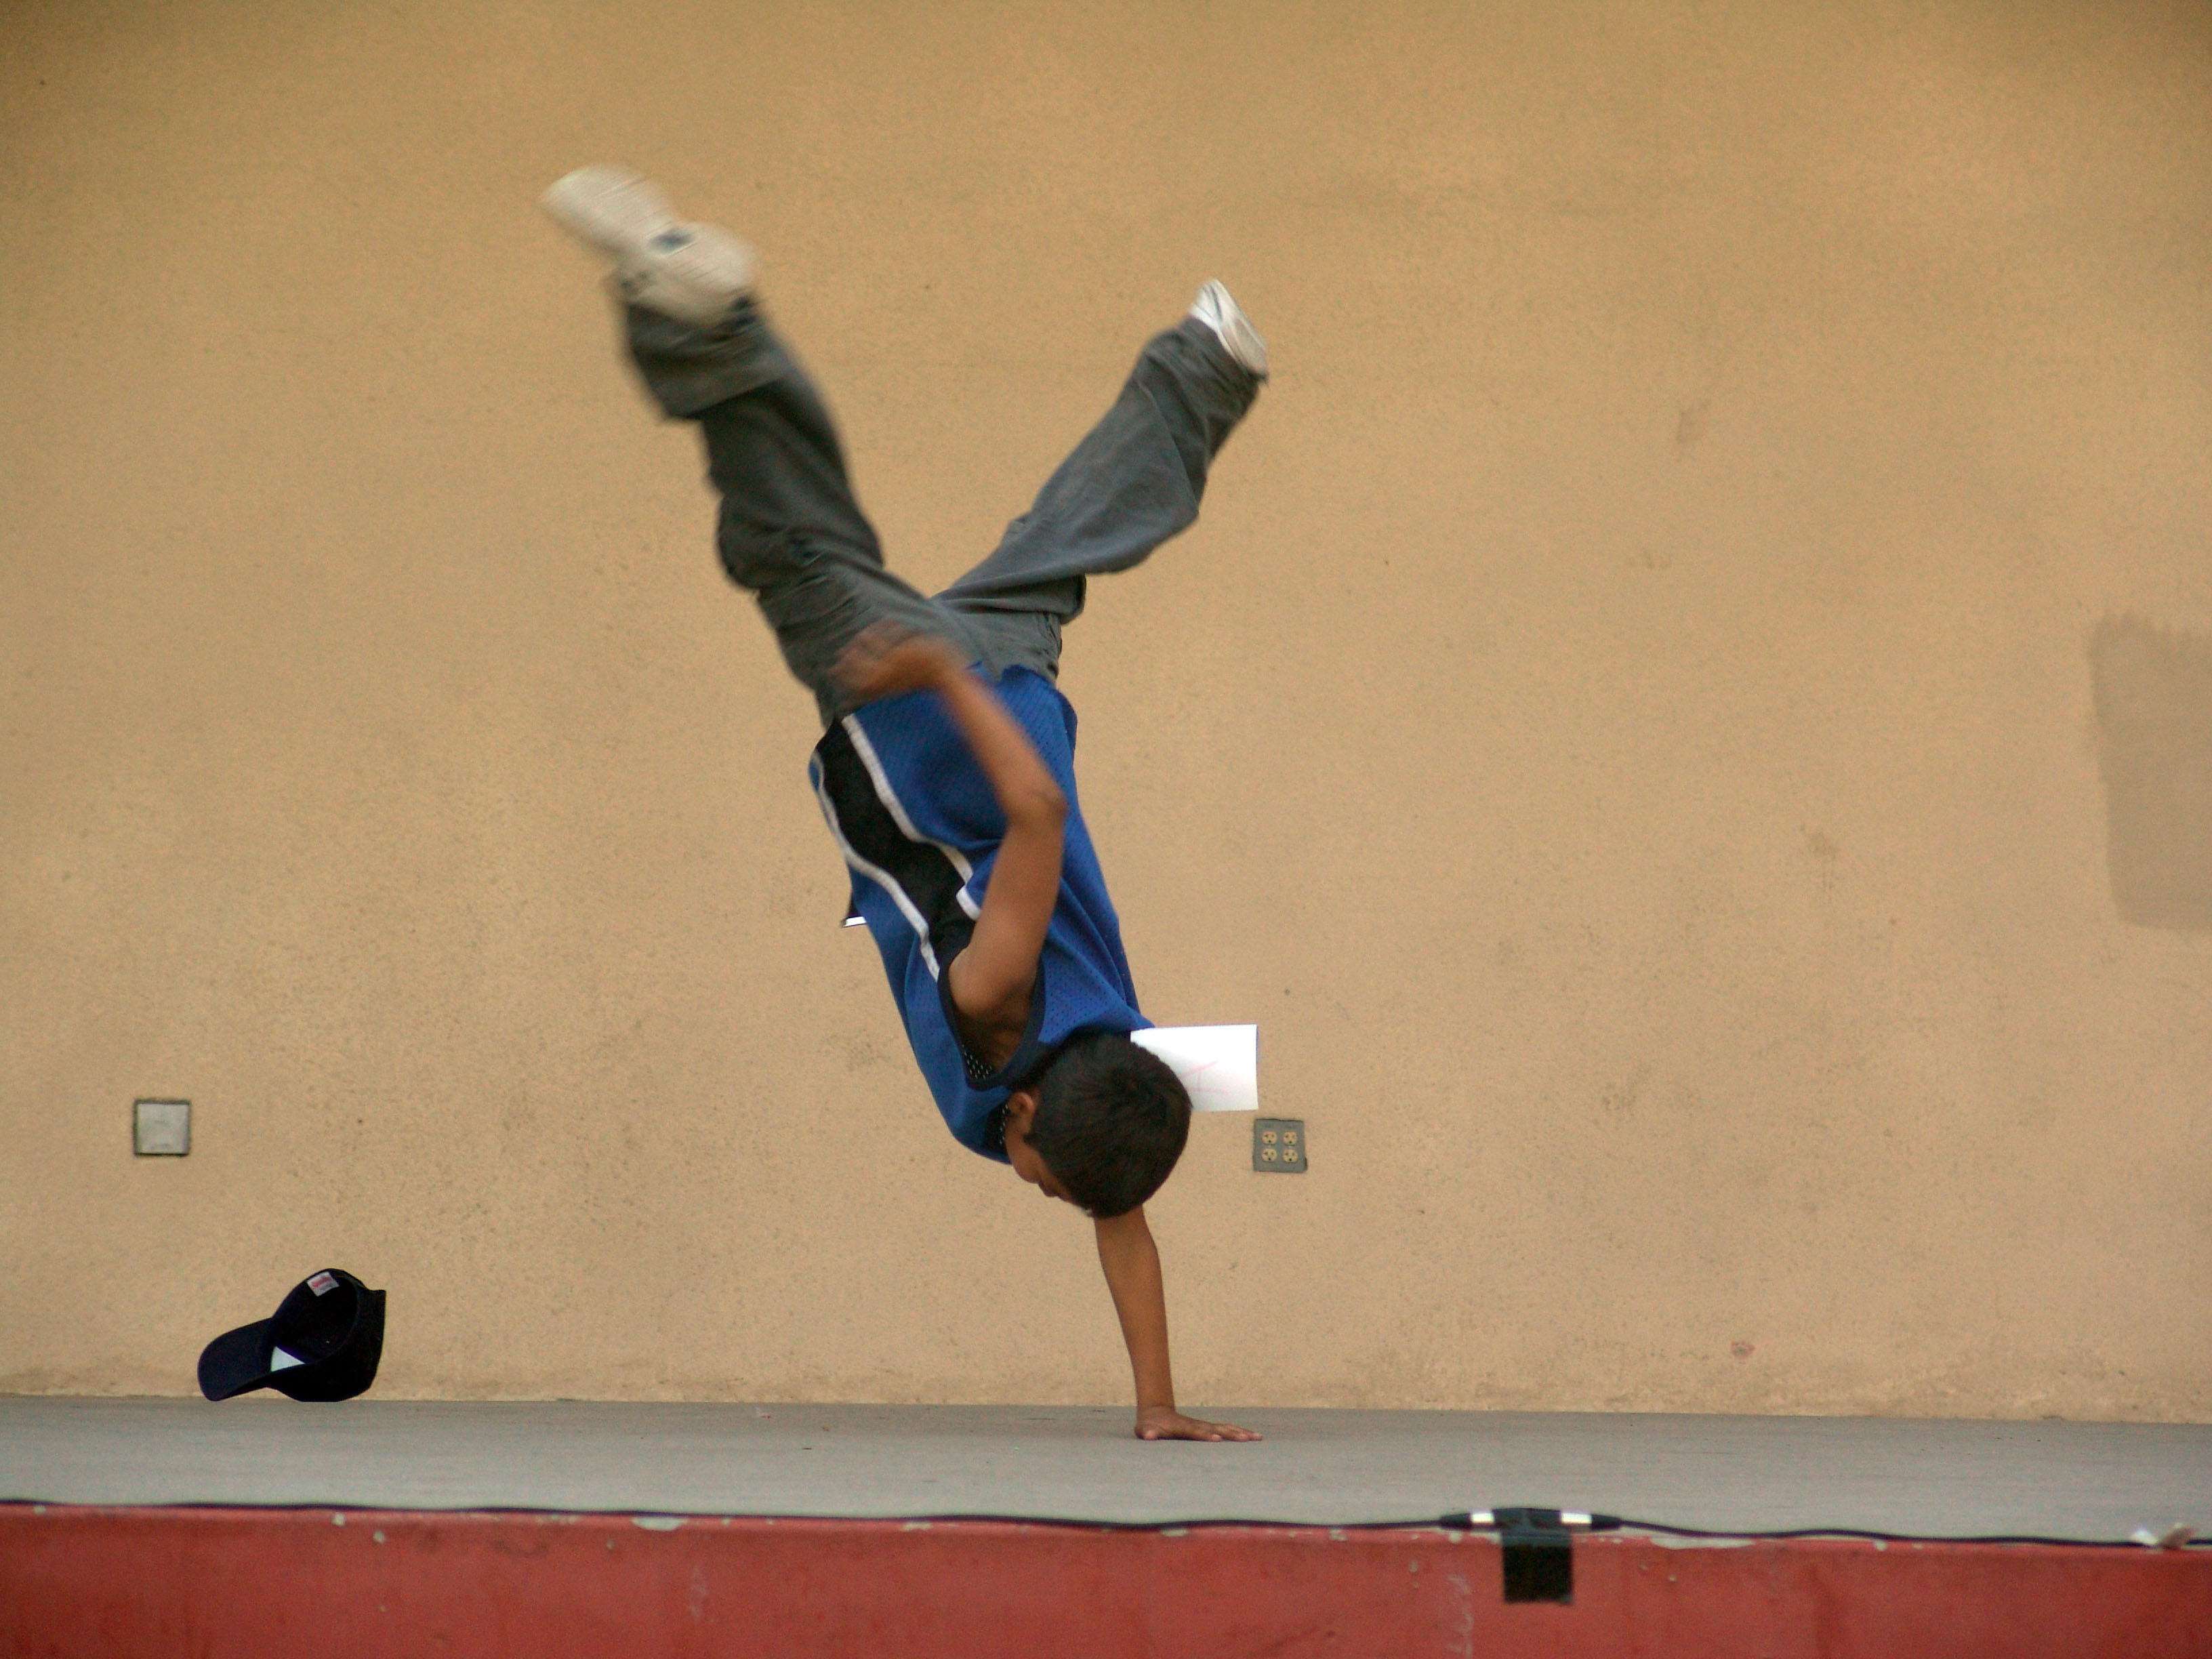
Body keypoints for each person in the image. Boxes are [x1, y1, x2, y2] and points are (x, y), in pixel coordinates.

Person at [544, 168, 1265, 1442]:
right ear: (1023, 1112)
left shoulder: (1113, 1080)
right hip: (930, 714)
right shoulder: (998, 1009)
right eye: (1045, 1181)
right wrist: (933, 671)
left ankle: (1206, 365)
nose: (1040, 1189)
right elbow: (1033, 815)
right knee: (790, 538)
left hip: (1009, 679)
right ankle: (696, 313)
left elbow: (1127, 1229)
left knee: (1066, 538)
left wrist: (1158, 1407)